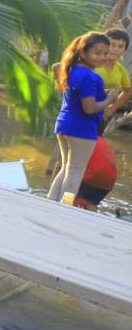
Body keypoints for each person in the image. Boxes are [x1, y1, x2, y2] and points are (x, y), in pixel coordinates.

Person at [49, 31, 114, 202]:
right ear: (83, 52)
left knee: (66, 169)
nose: (102, 57)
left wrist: (102, 96)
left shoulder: (73, 70)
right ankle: (65, 207)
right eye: (97, 53)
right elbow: (89, 108)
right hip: (81, 129)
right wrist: (109, 100)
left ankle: (51, 202)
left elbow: (82, 99)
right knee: (76, 171)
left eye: (105, 53)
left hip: (64, 125)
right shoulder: (90, 77)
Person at [96, 28, 132, 132]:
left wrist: (113, 108)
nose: (116, 49)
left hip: (102, 114)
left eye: (120, 46)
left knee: (93, 142)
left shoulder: (121, 70)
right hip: (83, 109)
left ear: (125, 50)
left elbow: (128, 90)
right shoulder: (93, 64)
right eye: (112, 45)